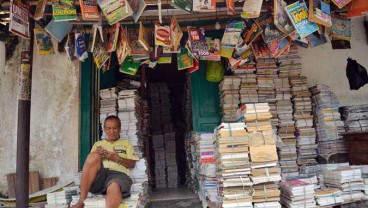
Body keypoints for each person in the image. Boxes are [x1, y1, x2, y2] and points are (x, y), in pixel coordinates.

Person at [72, 115, 139, 208]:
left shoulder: (126, 143)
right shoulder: (98, 144)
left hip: (118, 175)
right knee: (93, 156)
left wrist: (118, 159)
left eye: (115, 128)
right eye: (108, 128)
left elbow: (132, 164)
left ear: (119, 129)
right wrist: (98, 155)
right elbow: (90, 163)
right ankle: (81, 201)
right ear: (104, 129)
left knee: (114, 185)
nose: (111, 131)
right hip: (101, 176)